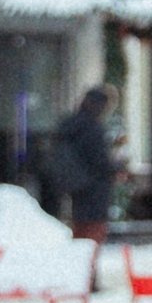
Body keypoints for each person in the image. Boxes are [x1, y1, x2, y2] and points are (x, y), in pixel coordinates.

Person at [49, 82, 120, 245]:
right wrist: (116, 168)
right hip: (95, 191)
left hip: (77, 189)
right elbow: (99, 161)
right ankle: (87, 267)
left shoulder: (68, 126)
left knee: (79, 230)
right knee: (94, 233)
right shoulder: (93, 129)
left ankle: (79, 263)